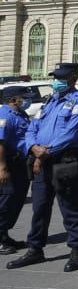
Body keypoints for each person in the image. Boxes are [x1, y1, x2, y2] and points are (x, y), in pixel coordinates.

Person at [7, 63, 78, 272]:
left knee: (69, 206)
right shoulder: (50, 101)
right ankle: (35, 248)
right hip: (41, 160)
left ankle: (76, 250)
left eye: (61, 77)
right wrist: (33, 147)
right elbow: (32, 128)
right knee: (40, 207)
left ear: (73, 78)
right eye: (55, 77)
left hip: (64, 160)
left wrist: (45, 151)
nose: (57, 81)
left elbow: (71, 134)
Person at [0, 86, 31, 255]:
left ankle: (4, 235)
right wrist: (2, 168)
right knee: (5, 201)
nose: (26, 100)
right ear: (13, 99)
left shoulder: (21, 114)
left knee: (15, 201)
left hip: (20, 164)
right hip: (8, 164)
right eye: (23, 98)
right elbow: (0, 143)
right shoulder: (4, 115)